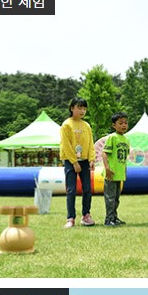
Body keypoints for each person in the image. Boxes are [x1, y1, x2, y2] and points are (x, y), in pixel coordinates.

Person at [60, 97, 96, 228]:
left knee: (87, 188)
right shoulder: (66, 125)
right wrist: (74, 162)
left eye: (84, 109)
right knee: (71, 190)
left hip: (85, 160)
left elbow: (90, 143)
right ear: (72, 108)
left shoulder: (86, 126)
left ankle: (86, 215)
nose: (82, 111)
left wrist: (91, 159)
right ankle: (70, 218)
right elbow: (66, 145)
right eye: (79, 108)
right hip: (70, 161)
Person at [101, 112, 130, 227]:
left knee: (116, 198)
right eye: (120, 123)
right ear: (114, 125)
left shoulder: (126, 139)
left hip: (119, 174)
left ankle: (114, 217)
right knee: (110, 198)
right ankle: (108, 219)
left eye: (126, 123)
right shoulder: (112, 137)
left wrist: (124, 171)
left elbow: (124, 157)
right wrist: (107, 168)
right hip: (111, 173)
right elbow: (104, 153)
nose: (124, 125)